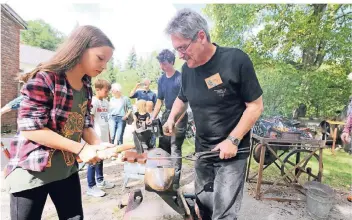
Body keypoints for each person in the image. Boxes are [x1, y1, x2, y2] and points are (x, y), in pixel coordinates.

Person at [4, 25, 118, 220]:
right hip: (32, 172)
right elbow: (31, 129)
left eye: (107, 61)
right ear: (80, 49)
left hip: (65, 170)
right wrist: (81, 150)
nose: (104, 66)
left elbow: (84, 122)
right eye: (100, 58)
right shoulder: (45, 78)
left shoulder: (86, 85)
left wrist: (98, 146)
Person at [164, 9, 264, 220]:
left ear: (201, 36)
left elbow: (255, 106)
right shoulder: (188, 70)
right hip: (203, 151)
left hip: (232, 152)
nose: (180, 55)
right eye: (176, 49)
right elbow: (182, 98)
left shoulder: (235, 60)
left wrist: (232, 140)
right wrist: (172, 118)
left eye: (182, 47)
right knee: (204, 206)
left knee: (224, 214)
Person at [152, 49, 187, 189]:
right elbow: (159, 100)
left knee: (175, 148)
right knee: (163, 147)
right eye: (160, 63)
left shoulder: (180, 78)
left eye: (164, 63)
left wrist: (177, 120)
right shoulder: (161, 79)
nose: (162, 66)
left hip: (180, 115)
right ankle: (164, 178)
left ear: (172, 62)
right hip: (166, 115)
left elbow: (185, 102)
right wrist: (152, 117)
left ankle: (175, 182)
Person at [87, 79, 115, 197]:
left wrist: (108, 136)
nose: (107, 93)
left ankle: (100, 181)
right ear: (97, 89)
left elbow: (106, 120)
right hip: (95, 137)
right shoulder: (93, 102)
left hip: (104, 135)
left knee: (101, 159)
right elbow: (90, 120)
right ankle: (91, 186)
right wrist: (92, 138)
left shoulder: (105, 102)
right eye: (106, 90)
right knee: (93, 161)